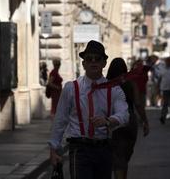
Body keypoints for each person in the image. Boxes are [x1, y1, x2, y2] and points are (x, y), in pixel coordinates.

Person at [48, 40, 129, 179]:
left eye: (98, 59)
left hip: (104, 149)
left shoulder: (114, 90)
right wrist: (54, 148)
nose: (93, 62)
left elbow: (124, 115)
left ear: (104, 63)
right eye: (89, 58)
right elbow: (60, 119)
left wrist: (108, 121)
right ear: (83, 63)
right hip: (80, 149)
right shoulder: (71, 88)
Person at [106, 58, 149, 179]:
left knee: (118, 156)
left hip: (113, 120)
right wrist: (145, 121)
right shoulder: (131, 82)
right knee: (125, 155)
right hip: (130, 120)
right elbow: (138, 104)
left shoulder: (107, 85)